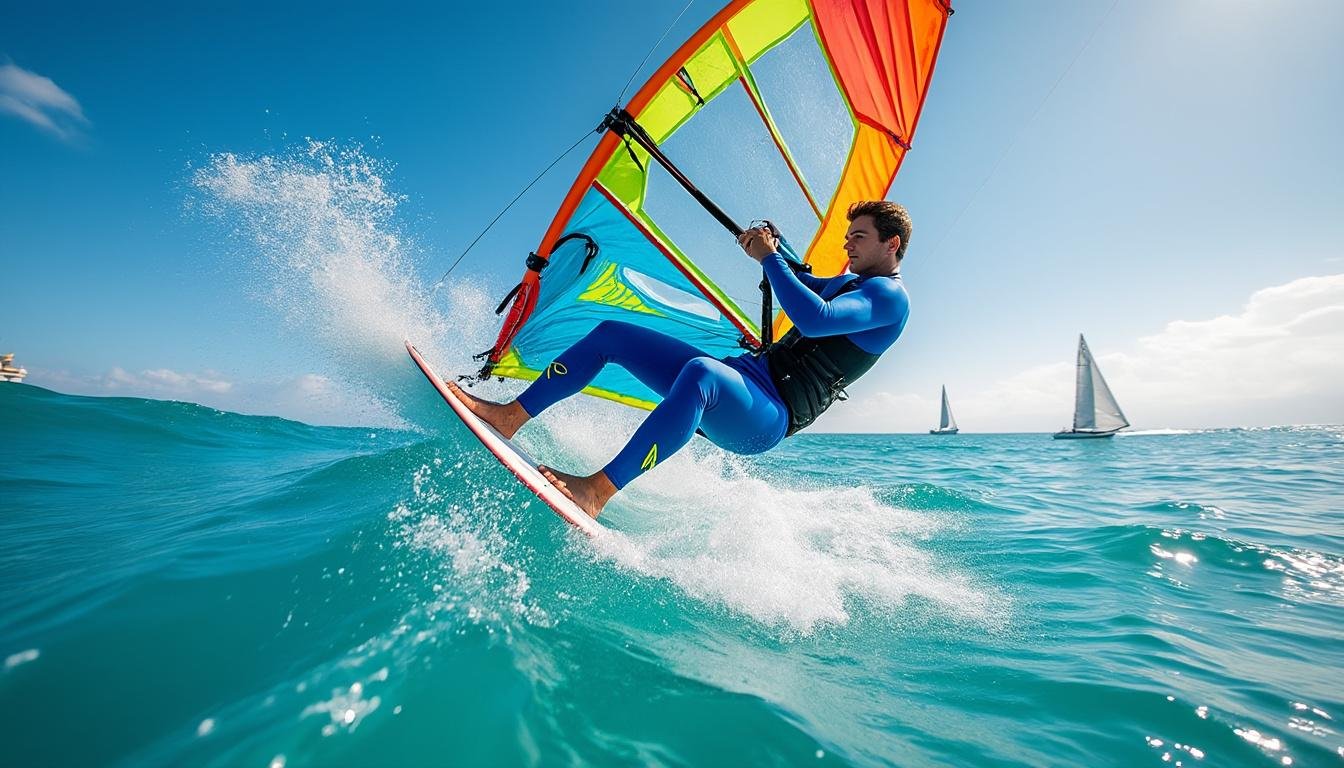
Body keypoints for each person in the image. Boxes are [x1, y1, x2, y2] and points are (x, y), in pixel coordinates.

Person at [446, 200, 912, 517]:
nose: (848, 244)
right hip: (745, 379)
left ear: (891, 244)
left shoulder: (890, 300)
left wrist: (772, 260)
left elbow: (814, 317)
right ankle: (510, 415)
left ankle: (597, 491)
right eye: (849, 235)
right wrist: (776, 246)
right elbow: (801, 279)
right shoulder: (849, 282)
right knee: (613, 334)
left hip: (767, 416)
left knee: (702, 374)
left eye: (860, 237)